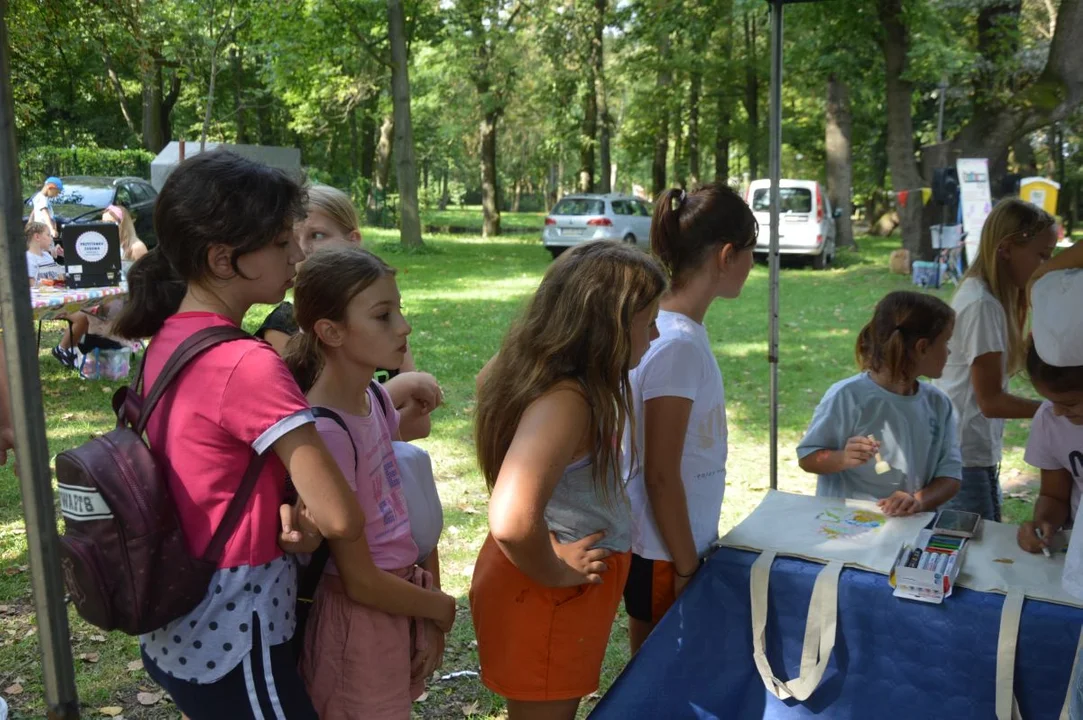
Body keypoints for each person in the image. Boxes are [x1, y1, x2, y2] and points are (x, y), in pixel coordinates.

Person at [114, 150, 365, 720]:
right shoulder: (248, 364)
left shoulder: (172, 334)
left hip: (182, 614)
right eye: (281, 243)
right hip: (235, 629)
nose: (298, 253)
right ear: (224, 260)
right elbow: (343, 517)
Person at [470, 241, 666, 720]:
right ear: (609, 327)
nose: (657, 333)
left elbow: (484, 382)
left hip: (551, 593)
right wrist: (555, 570)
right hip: (548, 593)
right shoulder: (567, 401)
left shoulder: (538, 372)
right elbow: (513, 520)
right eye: (649, 321)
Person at [284, 246, 456, 719]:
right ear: (330, 331)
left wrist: (406, 389)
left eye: (399, 310)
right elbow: (357, 579)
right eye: (383, 315)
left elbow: (385, 453)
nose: (404, 327)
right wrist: (438, 607)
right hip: (359, 618)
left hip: (394, 602)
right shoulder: (324, 435)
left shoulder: (371, 400)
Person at [621, 184, 756, 655]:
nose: (753, 264)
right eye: (751, 252)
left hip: (670, 547)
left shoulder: (678, 332)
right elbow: (660, 474)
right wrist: (684, 566)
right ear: (727, 255)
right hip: (662, 552)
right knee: (661, 681)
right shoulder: (676, 343)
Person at [256, 184, 441, 442]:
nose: (302, 250)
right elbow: (307, 433)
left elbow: (419, 425)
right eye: (291, 239)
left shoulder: (384, 319)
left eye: (317, 235)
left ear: (353, 240)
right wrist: (399, 390)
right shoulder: (283, 328)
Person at [933, 198, 1057, 521]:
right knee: (973, 560)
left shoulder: (986, 297)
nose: (1046, 265)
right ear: (1006, 249)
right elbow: (991, 402)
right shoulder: (982, 305)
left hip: (972, 455)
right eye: (1041, 255)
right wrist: (1056, 409)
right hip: (965, 460)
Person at [798, 291, 962, 515]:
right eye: (946, 342)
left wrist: (917, 501)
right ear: (922, 347)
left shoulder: (938, 404)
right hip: (847, 527)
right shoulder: (848, 397)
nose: (949, 351)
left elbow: (950, 476)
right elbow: (808, 458)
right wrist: (842, 458)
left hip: (909, 527)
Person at [1017, 239, 1083, 557]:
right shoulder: (1050, 419)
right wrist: (1044, 523)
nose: (1057, 411)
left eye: (1071, 403)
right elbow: (1056, 496)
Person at [25, 221, 63, 286]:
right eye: (48, 235)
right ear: (37, 237)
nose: (51, 239)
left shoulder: (47, 256)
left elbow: (60, 277)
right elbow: (31, 284)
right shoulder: (28, 259)